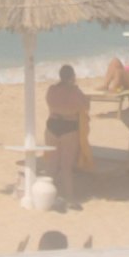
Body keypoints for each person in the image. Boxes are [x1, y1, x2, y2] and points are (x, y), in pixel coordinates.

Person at [45, 65, 88, 208]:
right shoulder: (74, 91)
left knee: (52, 165)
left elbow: (49, 103)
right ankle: (69, 198)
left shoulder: (52, 90)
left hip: (52, 125)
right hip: (68, 126)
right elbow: (86, 106)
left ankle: (48, 196)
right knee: (66, 167)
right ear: (72, 76)